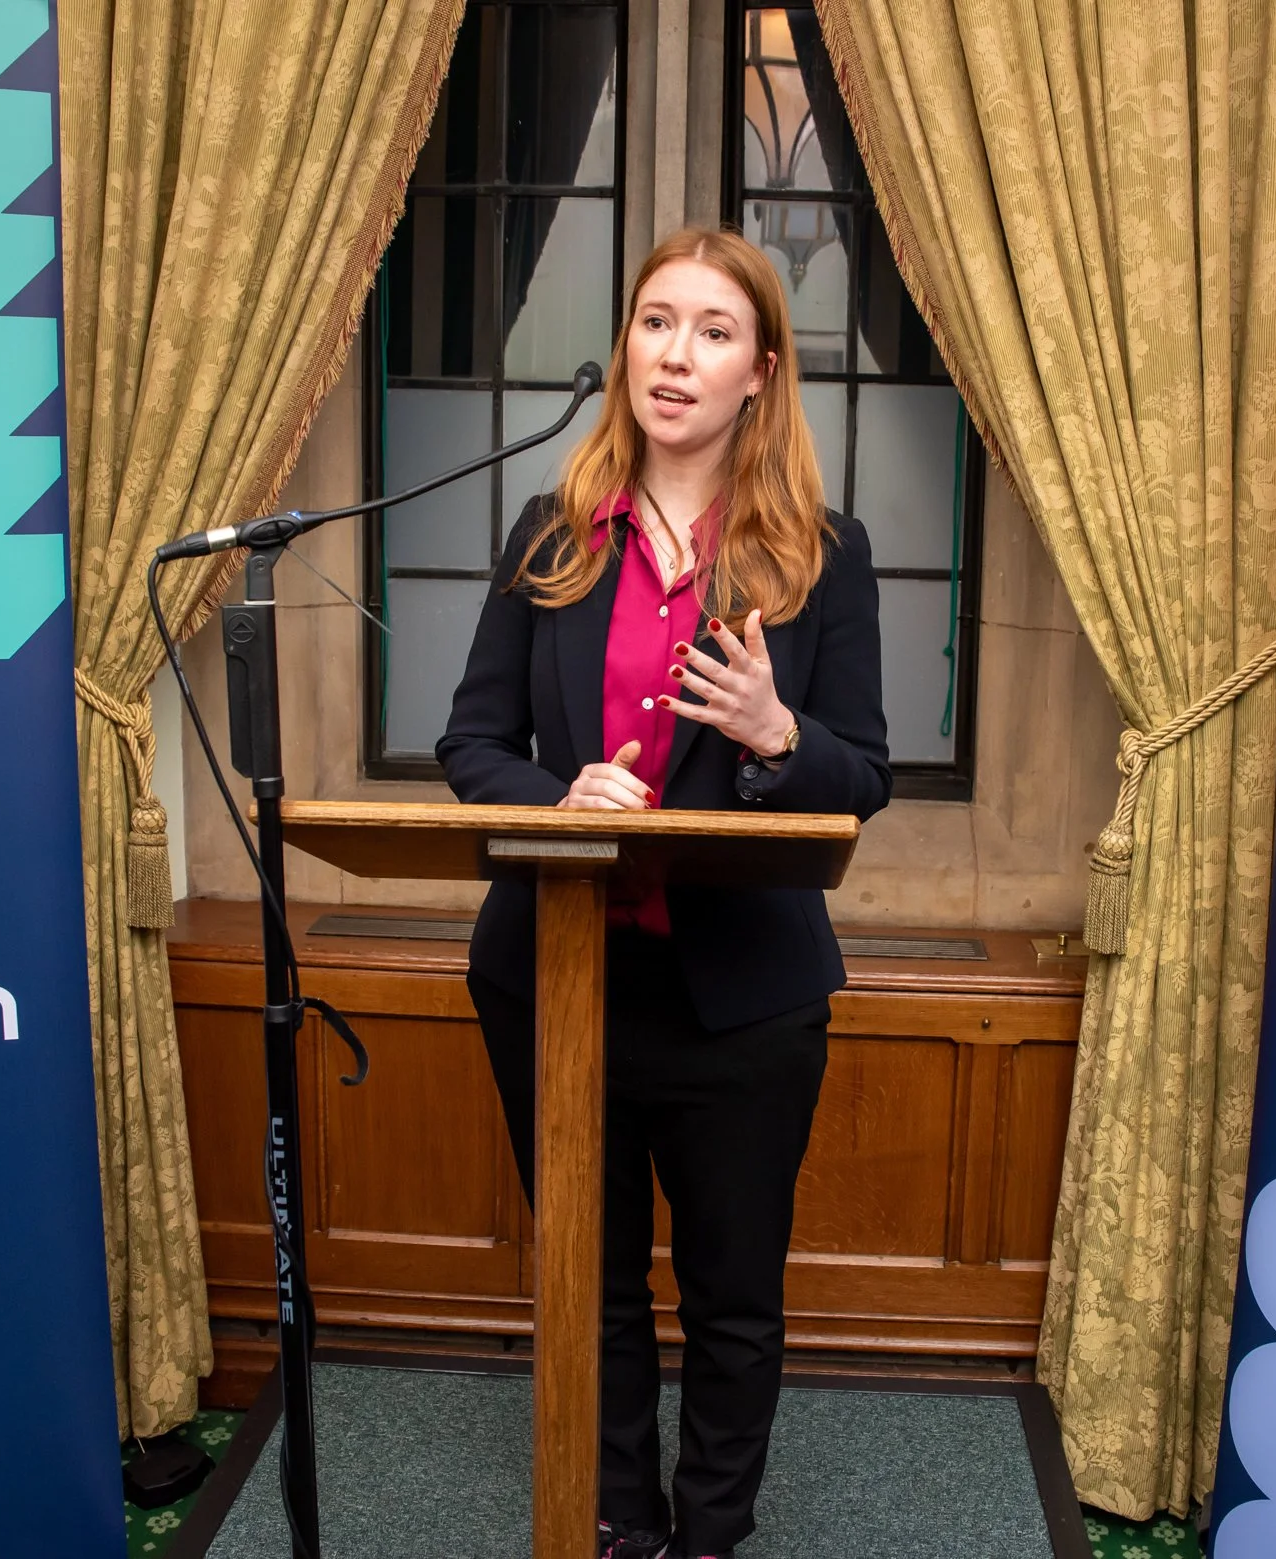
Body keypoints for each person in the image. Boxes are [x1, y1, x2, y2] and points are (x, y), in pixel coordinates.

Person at [436, 226, 891, 1559]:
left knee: (732, 1293)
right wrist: (558, 800)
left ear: (760, 371)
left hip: (740, 998)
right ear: (624, 344)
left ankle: (707, 1539)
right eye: (654, 321)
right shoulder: (555, 534)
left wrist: (775, 733)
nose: (674, 353)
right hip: (556, 975)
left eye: (710, 329)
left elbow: (865, 775)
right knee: (590, 1287)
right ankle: (618, 1523)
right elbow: (473, 747)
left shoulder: (823, 551)